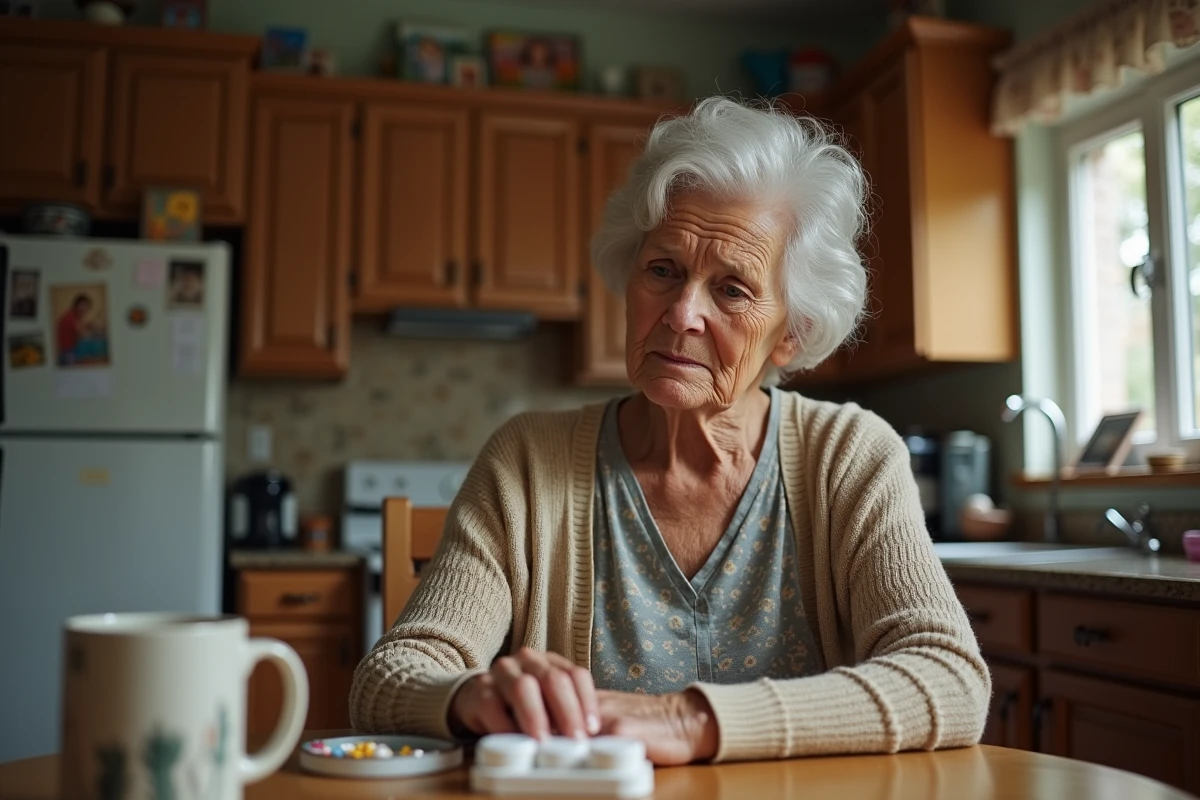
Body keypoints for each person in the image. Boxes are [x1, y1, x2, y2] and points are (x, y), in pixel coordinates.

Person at [350, 97, 989, 765]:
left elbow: (950, 681)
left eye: (732, 290)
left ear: (791, 333)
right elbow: (388, 678)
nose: (682, 313)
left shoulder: (851, 458)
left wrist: (688, 721)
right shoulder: (528, 462)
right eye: (664, 270)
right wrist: (468, 695)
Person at [55, 294, 92, 366]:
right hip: (67, 349)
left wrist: (87, 325)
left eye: (87, 307)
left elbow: (78, 327)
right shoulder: (71, 315)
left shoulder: (73, 314)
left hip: (67, 348)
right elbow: (82, 332)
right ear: (77, 305)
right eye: (83, 305)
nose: (85, 309)